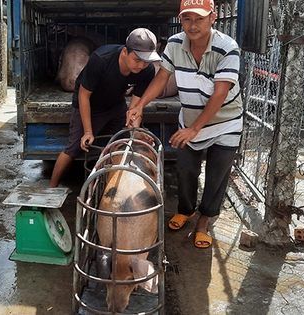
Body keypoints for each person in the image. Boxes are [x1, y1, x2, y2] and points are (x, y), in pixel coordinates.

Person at [126, 0, 243, 249]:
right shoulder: (176, 44)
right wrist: (139, 106)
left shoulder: (227, 48)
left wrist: (194, 129)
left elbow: (220, 95)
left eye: (199, 18)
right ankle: (187, 210)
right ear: (181, 20)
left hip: (226, 123)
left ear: (212, 18)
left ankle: (204, 221)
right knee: (186, 169)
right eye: (187, 18)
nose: (193, 25)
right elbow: (161, 78)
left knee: (216, 177)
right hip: (190, 120)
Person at [49, 28, 161, 188]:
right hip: (89, 103)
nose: (142, 65)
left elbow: (135, 108)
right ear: (124, 52)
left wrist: (134, 133)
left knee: (118, 143)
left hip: (115, 104)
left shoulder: (147, 70)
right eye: (137, 60)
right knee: (73, 147)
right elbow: (83, 95)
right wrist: (88, 131)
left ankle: (107, 185)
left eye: (147, 60)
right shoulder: (101, 59)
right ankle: (51, 189)